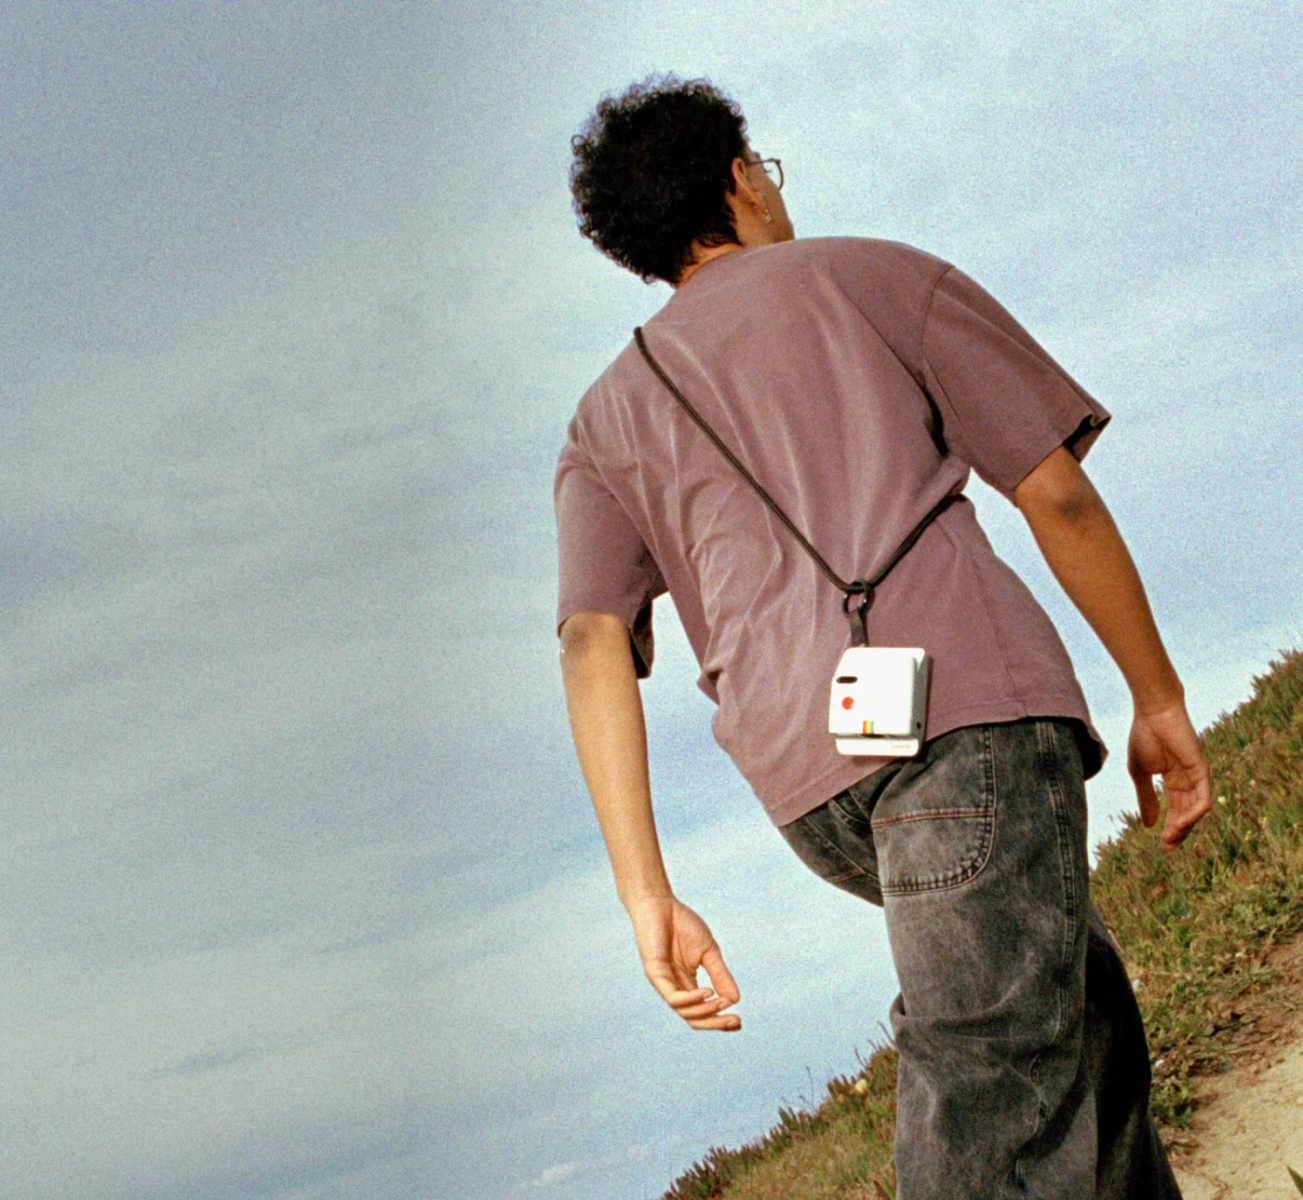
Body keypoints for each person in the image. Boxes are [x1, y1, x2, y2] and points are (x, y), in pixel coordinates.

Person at [554, 76, 1212, 1199]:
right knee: (989, 1081)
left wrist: (644, 892)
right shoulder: (873, 276)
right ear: (740, 181)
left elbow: (588, 642)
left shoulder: (604, 419)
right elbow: (1053, 493)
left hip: (813, 794)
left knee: (1072, 1017)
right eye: (764, 170)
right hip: (966, 729)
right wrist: (1156, 698)